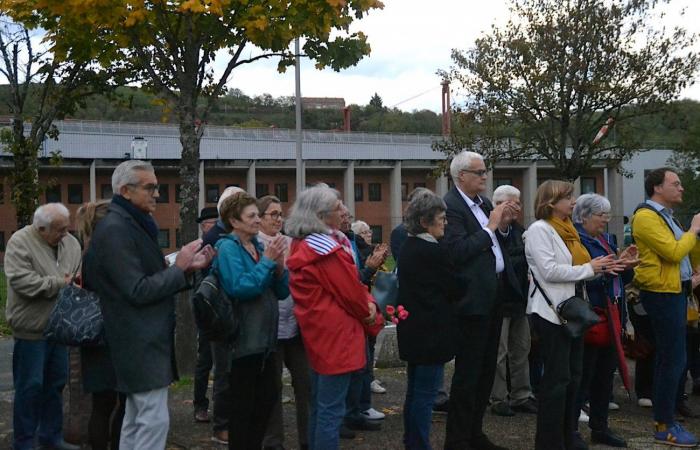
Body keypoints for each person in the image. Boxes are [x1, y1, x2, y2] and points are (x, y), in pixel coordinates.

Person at [87, 160, 214, 450]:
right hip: (136, 340)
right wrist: (179, 269)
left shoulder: (131, 223)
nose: (157, 193)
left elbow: (146, 279)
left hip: (141, 340)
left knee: (136, 418)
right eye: (150, 187)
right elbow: (137, 289)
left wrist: (187, 270)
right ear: (125, 191)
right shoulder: (117, 229)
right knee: (152, 420)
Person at [524, 180, 621, 450]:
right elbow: (550, 271)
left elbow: (576, 267)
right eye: (567, 197)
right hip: (551, 313)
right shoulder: (539, 230)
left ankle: (568, 435)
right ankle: (549, 441)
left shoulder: (568, 230)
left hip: (572, 312)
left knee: (573, 378)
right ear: (551, 202)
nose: (573, 202)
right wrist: (590, 268)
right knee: (556, 381)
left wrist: (604, 266)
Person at [285, 185, 383, 450]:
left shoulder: (305, 244)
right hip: (337, 336)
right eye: (337, 206)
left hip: (321, 334)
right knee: (331, 410)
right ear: (320, 214)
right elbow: (351, 292)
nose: (343, 210)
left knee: (321, 405)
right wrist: (369, 311)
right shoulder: (326, 251)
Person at [441, 151, 522, 450]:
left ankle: (475, 433)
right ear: (462, 176)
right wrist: (490, 227)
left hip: (495, 295)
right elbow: (458, 252)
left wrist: (503, 225)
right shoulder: (451, 207)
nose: (485, 176)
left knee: (486, 372)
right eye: (479, 172)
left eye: (485, 171)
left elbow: (498, 244)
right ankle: (458, 438)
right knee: (469, 373)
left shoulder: (485, 204)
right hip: (471, 301)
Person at [213, 191, 290, 450]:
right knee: (243, 409)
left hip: (265, 342)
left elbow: (281, 292)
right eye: (252, 216)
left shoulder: (258, 247)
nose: (258, 220)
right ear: (234, 221)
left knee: (266, 400)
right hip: (242, 343)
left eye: (258, 215)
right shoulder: (227, 248)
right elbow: (240, 287)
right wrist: (268, 263)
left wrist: (279, 270)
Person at [631, 167, 700, 446]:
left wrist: (695, 268)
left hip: (676, 290)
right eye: (676, 183)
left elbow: (686, 251)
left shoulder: (666, 217)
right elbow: (672, 251)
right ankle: (664, 423)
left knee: (674, 358)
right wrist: (693, 229)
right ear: (657, 188)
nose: (681, 188)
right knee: (672, 360)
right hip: (661, 293)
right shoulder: (645, 217)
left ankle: (667, 420)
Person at [5, 202, 82, 450]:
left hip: (60, 328)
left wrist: (76, 284)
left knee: (56, 384)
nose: (65, 234)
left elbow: (76, 274)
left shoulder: (70, 243)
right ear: (40, 228)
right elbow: (21, 281)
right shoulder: (19, 242)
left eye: (66, 228)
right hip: (30, 329)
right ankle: (24, 442)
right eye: (59, 230)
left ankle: (51, 437)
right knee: (30, 387)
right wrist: (60, 284)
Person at [397, 188, 464, 450]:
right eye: (441, 218)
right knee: (424, 396)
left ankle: (411, 441)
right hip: (431, 334)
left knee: (414, 392)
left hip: (414, 331)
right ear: (425, 221)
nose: (445, 222)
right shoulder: (433, 251)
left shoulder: (408, 246)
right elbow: (455, 286)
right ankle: (419, 444)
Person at [573, 193, 638, 448]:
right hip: (593, 314)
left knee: (604, 376)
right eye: (602, 215)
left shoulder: (606, 239)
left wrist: (627, 263)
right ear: (586, 216)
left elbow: (620, 276)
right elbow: (581, 276)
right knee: (584, 374)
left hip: (613, 314)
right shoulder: (578, 241)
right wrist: (604, 272)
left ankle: (600, 427)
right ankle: (572, 430)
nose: (606, 220)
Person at [258, 195, 311, 450]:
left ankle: (308, 439)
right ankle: (273, 442)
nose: (279, 219)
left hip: (297, 322)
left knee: (306, 384)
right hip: (272, 326)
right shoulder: (255, 245)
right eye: (273, 214)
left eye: (281, 214)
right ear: (259, 218)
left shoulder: (293, 243)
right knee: (273, 387)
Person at [76, 200, 126, 450]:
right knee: (116, 403)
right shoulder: (105, 253)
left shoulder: (91, 251)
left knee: (103, 404)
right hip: (110, 336)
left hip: (98, 338)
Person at [201, 186, 246, 445]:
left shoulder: (235, 235)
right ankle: (221, 425)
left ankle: (234, 421)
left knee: (234, 371)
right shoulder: (217, 237)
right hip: (221, 314)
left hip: (237, 314)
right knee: (223, 371)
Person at [488, 185, 537, 417]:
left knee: (521, 348)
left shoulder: (520, 230)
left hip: (520, 299)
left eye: (519, 202)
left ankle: (522, 395)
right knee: (500, 351)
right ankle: (498, 398)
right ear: (500, 205)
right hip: (499, 300)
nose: (518, 207)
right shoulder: (490, 231)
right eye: (514, 202)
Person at [193, 205, 224, 424]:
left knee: (220, 361)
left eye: (213, 223)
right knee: (205, 358)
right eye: (207, 224)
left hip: (223, 307)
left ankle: (218, 403)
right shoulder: (203, 244)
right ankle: (200, 404)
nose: (210, 228)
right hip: (206, 308)